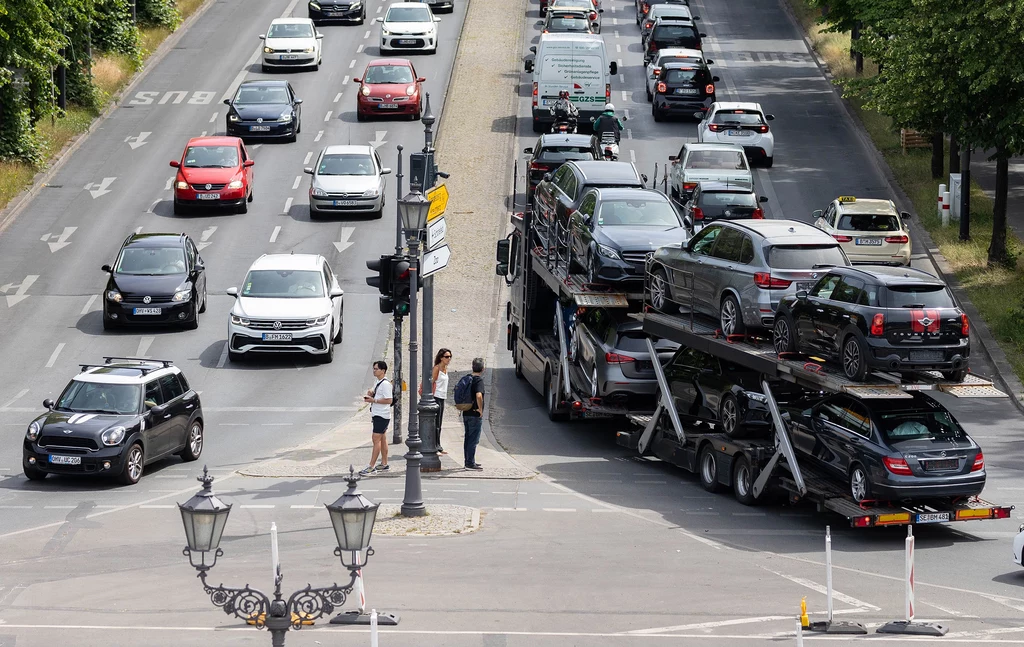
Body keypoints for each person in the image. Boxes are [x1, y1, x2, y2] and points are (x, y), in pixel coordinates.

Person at [360, 361, 393, 475]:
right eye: (374, 369)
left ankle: (371, 466)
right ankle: (384, 464)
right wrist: (371, 393)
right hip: (378, 414)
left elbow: (389, 400)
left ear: (383, 371)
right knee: (382, 439)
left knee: (376, 439)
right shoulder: (378, 382)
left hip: (382, 415)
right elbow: (375, 392)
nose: (374, 371)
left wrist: (374, 400)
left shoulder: (386, 384)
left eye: (376, 369)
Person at [462, 357, 486, 470]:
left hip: (466, 412)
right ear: (483, 368)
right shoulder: (478, 380)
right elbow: (479, 395)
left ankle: (468, 460)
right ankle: (470, 463)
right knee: (473, 439)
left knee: (467, 438)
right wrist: (480, 409)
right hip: (474, 414)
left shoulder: (467, 378)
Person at [431, 348, 452, 455]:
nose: (449, 359)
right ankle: (434, 447)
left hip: (442, 397)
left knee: (439, 423)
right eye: (446, 357)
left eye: (450, 357)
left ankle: (438, 446)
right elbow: (431, 382)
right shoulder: (437, 368)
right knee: (435, 423)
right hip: (436, 397)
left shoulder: (445, 369)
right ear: (441, 358)